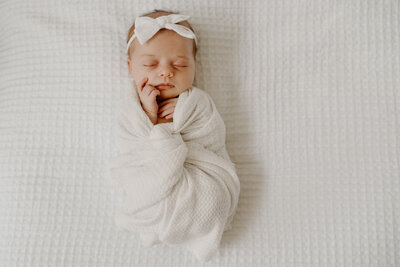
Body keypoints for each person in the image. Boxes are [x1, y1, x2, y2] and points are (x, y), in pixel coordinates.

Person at [126, 10, 198, 125]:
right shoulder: (130, 107)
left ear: (194, 64)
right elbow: (132, 140)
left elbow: (212, 134)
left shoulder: (198, 103)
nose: (166, 72)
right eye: (150, 64)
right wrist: (148, 112)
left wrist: (189, 110)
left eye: (180, 64)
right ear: (130, 68)